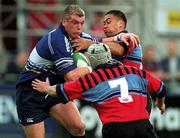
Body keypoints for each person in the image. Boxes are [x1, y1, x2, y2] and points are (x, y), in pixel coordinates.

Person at [32, 43, 166, 138]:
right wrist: (160, 103)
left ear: (92, 61)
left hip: (115, 128)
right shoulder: (134, 71)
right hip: (143, 125)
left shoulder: (92, 79)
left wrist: (45, 88)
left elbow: (61, 90)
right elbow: (160, 88)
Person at [16, 5, 96, 138]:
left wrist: (118, 39)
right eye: (75, 23)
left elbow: (102, 47)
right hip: (31, 90)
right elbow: (71, 77)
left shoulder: (82, 37)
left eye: (82, 23)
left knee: (78, 127)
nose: (79, 27)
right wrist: (90, 68)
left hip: (53, 87)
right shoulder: (57, 40)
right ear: (64, 22)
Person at [71, 10, 142, 69]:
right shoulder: (111, 40)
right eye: (104, 23)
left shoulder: (129, 38)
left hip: (131, 81)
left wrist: (89, 44)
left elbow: (119, 50)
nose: (104, 26)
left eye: (108, 22)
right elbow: (98, 42)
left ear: (120, 24)